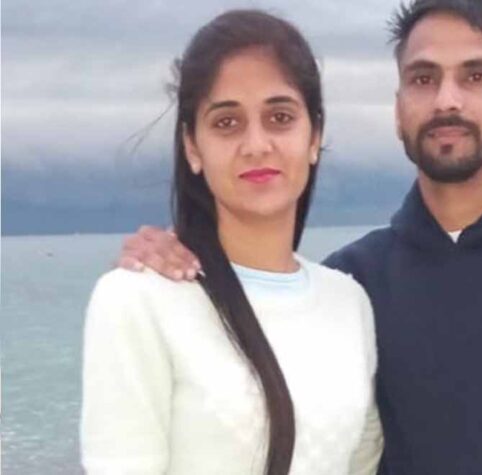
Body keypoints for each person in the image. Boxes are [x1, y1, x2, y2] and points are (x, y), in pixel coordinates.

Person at [117, 1, 482, 474]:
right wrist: (175, 263)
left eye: (477, 75)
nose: (447, 99)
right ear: (399, 107)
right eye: (423, 78)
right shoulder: (353, 283)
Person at [81, 9, 382, 475]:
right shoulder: (137, 300)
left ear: (314, 136)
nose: (256, 144)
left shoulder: (349, 303)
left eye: (280, 117)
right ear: (192, 146)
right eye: (227, 123)